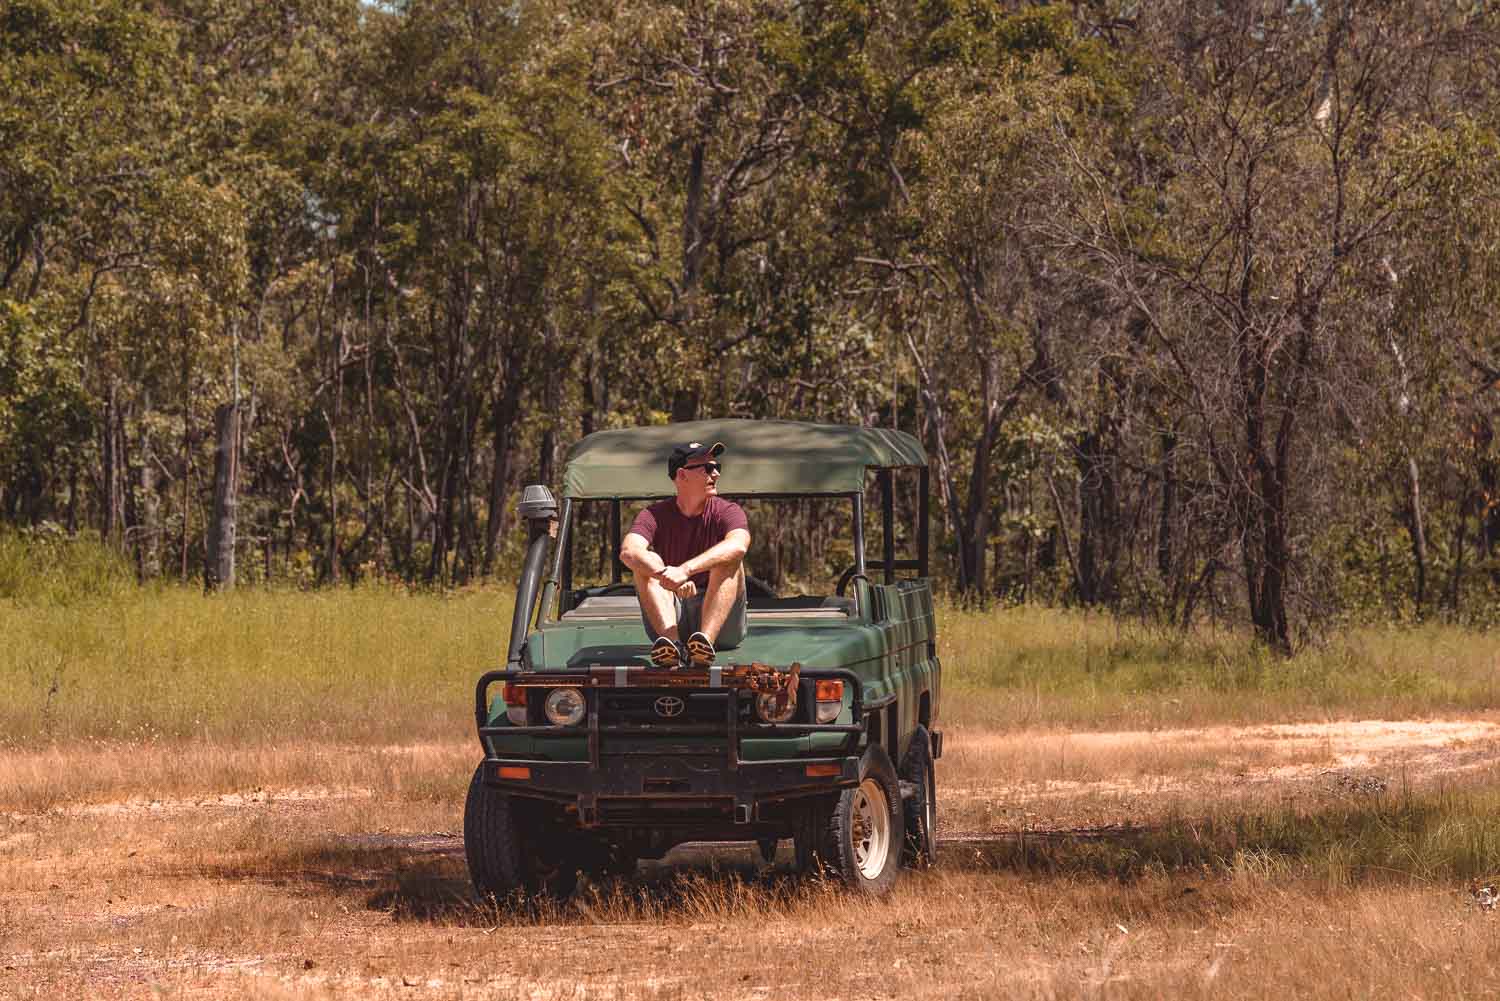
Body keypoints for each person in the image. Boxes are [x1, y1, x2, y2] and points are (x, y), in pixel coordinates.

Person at [619, 440, 750, 669]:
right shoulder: (653, 515)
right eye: (708, 468)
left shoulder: (729, 511)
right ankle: (672, 645)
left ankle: (704, 646)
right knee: (646, 562)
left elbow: (738, 545)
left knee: (729, 558)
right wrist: (667, 577)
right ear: (682, 475)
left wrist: (684, 570)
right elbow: (629, 552)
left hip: (722, 625)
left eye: (717, 467)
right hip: (670, 616)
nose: (716, 473)